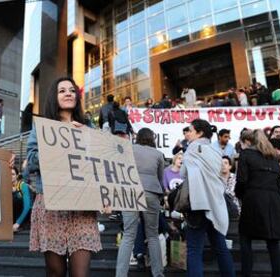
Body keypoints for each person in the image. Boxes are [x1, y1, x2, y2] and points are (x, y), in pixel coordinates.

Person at [26, 77, 102, 276]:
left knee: (80, 273)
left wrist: (88, 138)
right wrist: (61, 142)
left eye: (72, 90)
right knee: (55, 271)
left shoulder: (89, 127)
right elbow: (31, 161)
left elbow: (101, 163)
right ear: (54, 97)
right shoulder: (42, 127)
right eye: (62, 91)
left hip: (83, 206)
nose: (68, 93)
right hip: (52, 205)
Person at [181, 119, 235, 277]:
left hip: (198, 204)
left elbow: (183, 173)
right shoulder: (216, 150)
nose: (187, 134)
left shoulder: (191, 148)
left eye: (190, 130)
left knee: (194, 250)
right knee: (220, 247)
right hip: (215, 204)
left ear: (199, 133)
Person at [235, 129, 280, 277]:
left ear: (250, 141)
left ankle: (246, 274)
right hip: (274, 201)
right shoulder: (274, 158)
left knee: (245, 238)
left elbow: (242, 180)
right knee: (273, 243)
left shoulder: (246, 155)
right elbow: (278, 183)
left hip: (253, 198)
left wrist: (240, 195)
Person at [115, 128, 165, 277]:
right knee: (153, 235)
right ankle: (158, 274)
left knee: (129, 235)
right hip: (151, 192)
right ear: (152, 138)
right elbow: (160, 177)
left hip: (130, 191)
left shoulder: (128, 149)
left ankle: (120, 274)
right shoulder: (158, 154)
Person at [12, 166, 32, 232]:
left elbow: (27, 206)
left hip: (23, 221)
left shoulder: (23, 186)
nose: (10, 176)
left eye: (13, 174)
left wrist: (18, 223)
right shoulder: (5, 186)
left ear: (17, 176)